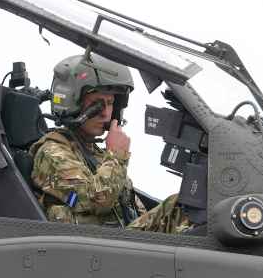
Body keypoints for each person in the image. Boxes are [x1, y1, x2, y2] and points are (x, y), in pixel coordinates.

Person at [30, 53, 189, 233]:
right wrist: (116, 156)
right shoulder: (52, 152)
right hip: (95, 252)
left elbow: (131, 210)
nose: (105, 113)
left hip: (116, 245)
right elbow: (97, 200)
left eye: (110, 103)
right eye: (97, 104)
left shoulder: (95, 154)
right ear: (72, 103)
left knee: (186, 206)